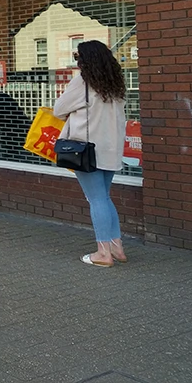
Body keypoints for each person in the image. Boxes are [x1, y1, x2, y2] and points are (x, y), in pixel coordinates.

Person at [53, 40, 128, 267]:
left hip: (87, 150)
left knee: (96, 199)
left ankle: (103, 254)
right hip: (111, 149)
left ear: (86, 61)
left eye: (79, 58)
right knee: (103, 197)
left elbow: (58, 110)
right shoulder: (116, 84)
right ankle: (117, 247)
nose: (77, 62)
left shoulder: (83, 83)